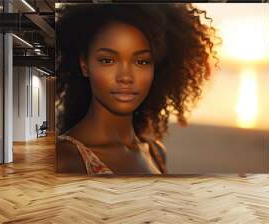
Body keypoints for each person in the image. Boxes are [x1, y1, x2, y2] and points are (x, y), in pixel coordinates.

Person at [55, 3, 219, 175]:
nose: (125, 77)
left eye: (141, 62)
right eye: (107, 60)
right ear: (84, 65)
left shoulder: (155, 151)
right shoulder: (65, 160)